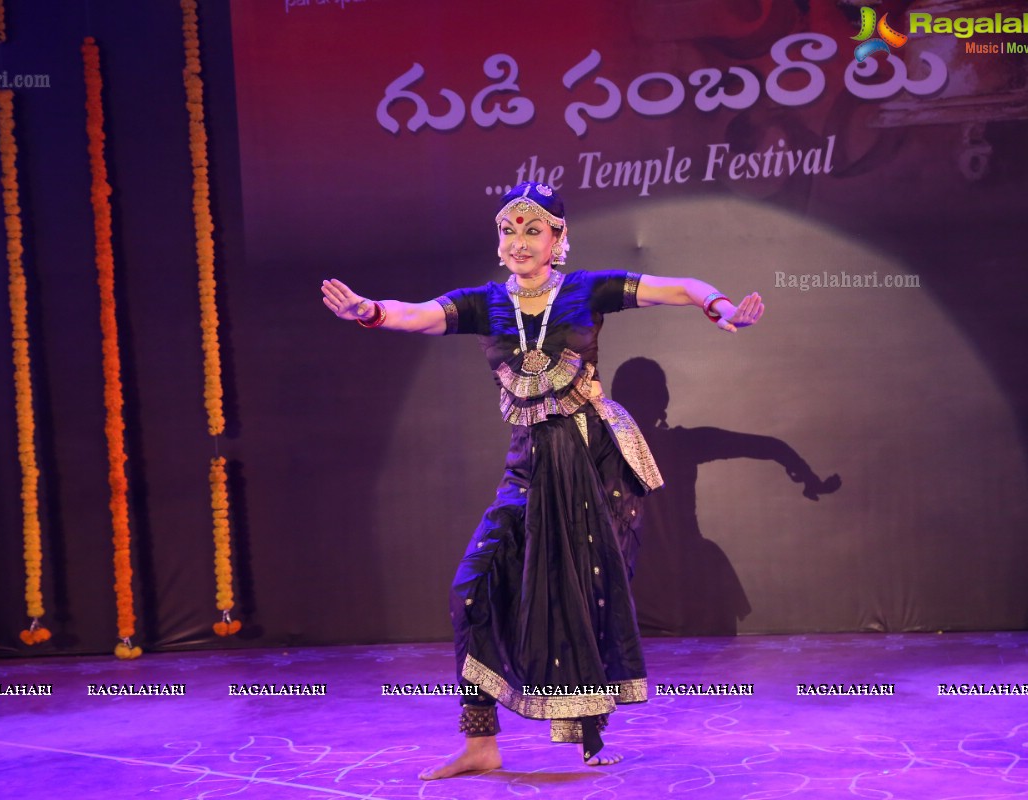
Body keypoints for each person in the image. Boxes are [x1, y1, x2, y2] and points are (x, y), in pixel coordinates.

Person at [321, 182, 764, 780]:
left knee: (579, 590)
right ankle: (481, 743)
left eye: (534, 230)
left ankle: (588, 728)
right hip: (527, 464)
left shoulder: (587, 290)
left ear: (559, 239)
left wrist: (722, 308)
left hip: (588, 461)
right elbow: (417, 316)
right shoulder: (483, 302)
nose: (520, 242)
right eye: (509, 230)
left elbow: (682, 288)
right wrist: (370, 312)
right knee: (471, 590)